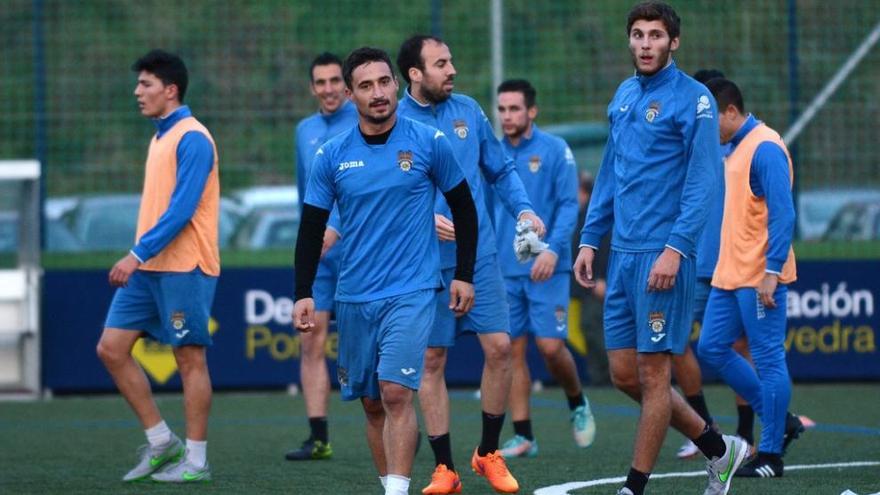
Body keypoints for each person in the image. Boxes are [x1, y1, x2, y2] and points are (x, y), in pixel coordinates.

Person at [572, 4, 748, 495]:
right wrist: (590, 238)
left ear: (674, 43)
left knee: (654, 376)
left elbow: (702, 183)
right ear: (629, 41)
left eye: (655, 35)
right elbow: (610, 174)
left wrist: (675, 249)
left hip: (664, 256)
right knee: (624, 374)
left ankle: (634, 486)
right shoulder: (624, 94)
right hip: (622, 256)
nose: (645, 43)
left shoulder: (695, 100)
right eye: (637, 34)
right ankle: (719, 449)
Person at [292, 47, 478, 495]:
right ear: (352, 95)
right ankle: (388, 484)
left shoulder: (429, 141)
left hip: (412, 290)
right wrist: (303, 292)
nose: (377, 93)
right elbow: (311, 227)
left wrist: (464, 274)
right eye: (365, 86)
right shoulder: (332, 155)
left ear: (397, 84)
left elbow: (464, 209)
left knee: (395, 392)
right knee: (372, 403)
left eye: (383, 82)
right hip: (354, 295)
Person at [396, 34, 545, 495]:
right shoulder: (392, 121)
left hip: (476, 253)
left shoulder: (468, 111)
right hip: (421, 261)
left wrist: (522, 208)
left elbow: (499, 169)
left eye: (452, 60)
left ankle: (487, 453)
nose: (452, 69)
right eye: (441, 63)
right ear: (415, 74)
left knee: (500, 348)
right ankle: (445, 468)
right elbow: (384, 195)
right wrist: (425, 220)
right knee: (432, 359)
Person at [96, 49, 219, 483]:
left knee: (189, 360)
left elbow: (182, 209)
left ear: (170, 90)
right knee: (111, 349)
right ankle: (163, 442)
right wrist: (142, 257)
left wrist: (136, 253)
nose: (137, 92)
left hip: (184, 267)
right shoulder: (159, 136)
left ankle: (198, 462)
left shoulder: (193, 137)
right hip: (149, 270)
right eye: (138, 84)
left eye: (145, 84)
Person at [491, 79, 596, 459]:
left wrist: (552, 251)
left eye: (514, 108)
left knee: (551, 347)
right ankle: (523, 436)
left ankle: (577, 401)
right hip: (504, 269)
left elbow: (569, 205)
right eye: (502, 109)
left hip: (548, 267)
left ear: (531, 111)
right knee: (511, 351)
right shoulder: (492, 153)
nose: (507, 116)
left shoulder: (555, 150)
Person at [698, 77, 797, 479]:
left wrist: (772, 272)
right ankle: (780, 418)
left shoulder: (766, 147)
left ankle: (771, 455)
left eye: (711, 120)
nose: (706, 129)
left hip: (759, 276)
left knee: (770, 358)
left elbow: (783, 214)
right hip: (730, 274)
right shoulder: (732, 146)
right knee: (711, 348)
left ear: (732, 112)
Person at [286, 52, 358, 462]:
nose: (329, 89)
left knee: (371, 344)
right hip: (320, 259)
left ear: (346, 87)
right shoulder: (304, 131)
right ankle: (318, 437)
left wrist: (337, 229)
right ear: (312, 87)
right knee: (311, 342)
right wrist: (311, 241)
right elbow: (306, 195)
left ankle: (398, 423)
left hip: (360, 254)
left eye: (335, 81)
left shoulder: (364, 123)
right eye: (321, 82)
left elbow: (368, 190)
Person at [669, 68, 727, 460]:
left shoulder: (741, 149)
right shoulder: (680, 148)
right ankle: (705, 426)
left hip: (729, 264)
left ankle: (754, 430)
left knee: (739, 346)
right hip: (691, 259)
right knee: (675, 344)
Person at [570, 172, 611, 386]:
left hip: (596, 283)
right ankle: (600, 376)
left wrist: (601, 279)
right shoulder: (580, 214)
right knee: (590, 326)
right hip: (587, 284)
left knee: (595, 327)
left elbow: (604, 249)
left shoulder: (594, 215)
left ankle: (610, 373)